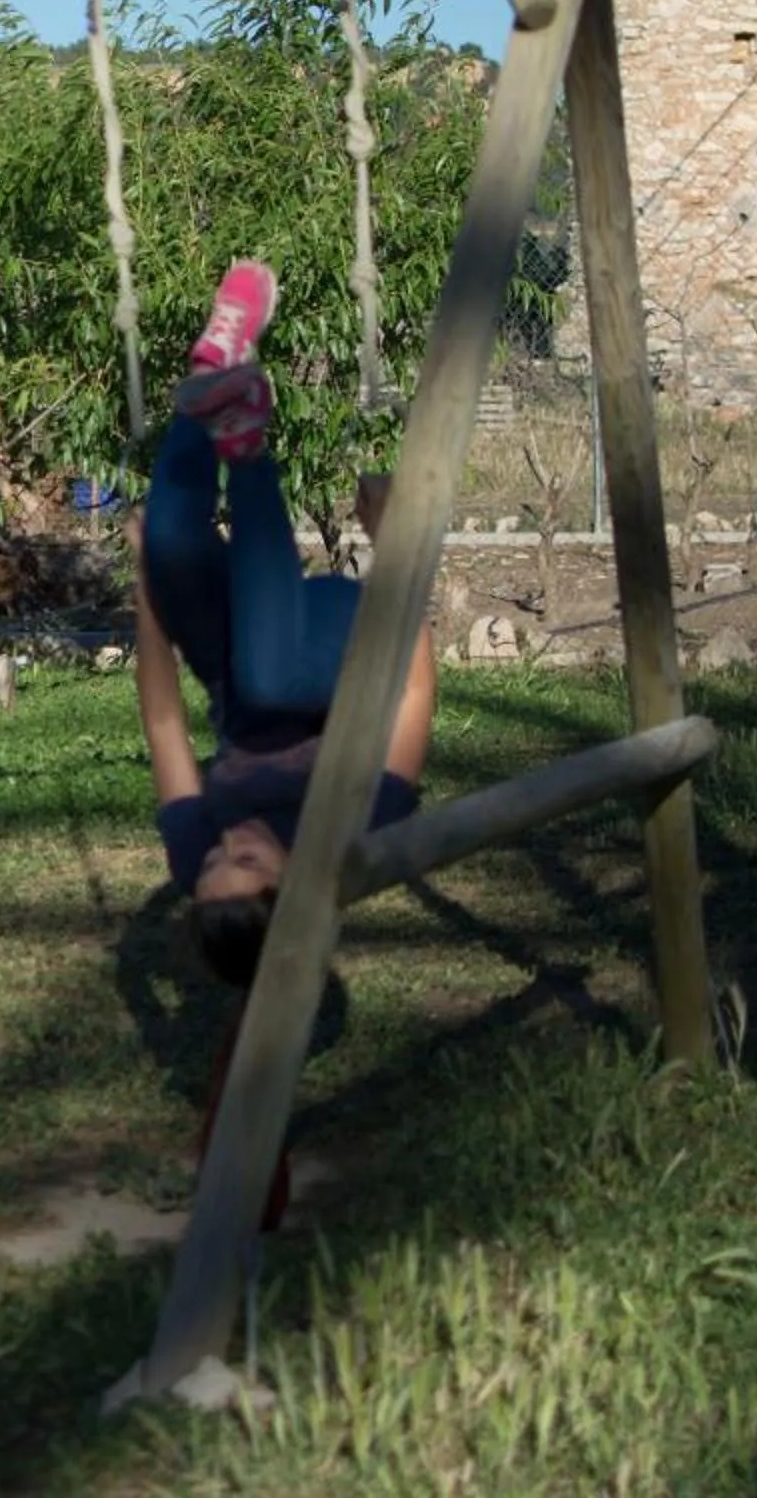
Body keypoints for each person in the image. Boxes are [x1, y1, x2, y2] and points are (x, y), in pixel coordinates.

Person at [124, 260, 439, 1211]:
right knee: (265, 674)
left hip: (242, 647)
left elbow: (165, 720)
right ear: (283, 892)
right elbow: (415, 696)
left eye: (212, 862)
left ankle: (218, 364)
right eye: (245, 862)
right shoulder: (355, 834)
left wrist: (147, 588)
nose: (227, 844)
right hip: (339, 645)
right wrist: (396, 551)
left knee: (173, 534)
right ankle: (247, 447)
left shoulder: (194, 855)